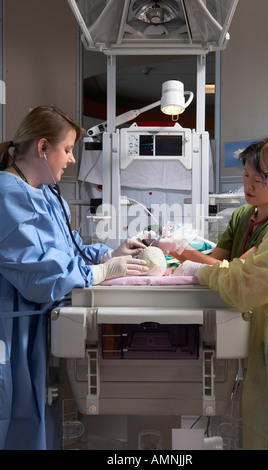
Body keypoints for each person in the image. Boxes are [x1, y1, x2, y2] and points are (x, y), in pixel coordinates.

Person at [0, 105, 148, 450]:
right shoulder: (7, 196)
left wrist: (111, 254)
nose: (71, 160)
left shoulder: (49, 197)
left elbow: (71, 251)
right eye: (67, 150)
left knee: (40, 418)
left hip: (39, 330)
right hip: (12, 333)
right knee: (15, 421)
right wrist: (100, 272)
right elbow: (42, 277)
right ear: (42, 147)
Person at [175, 130, 268, 450]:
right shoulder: (260, 220)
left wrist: (195, 268)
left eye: (264, 176)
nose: (258, 185)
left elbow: (243, 284)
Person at [152, 139, 268, 264]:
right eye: (246, 175)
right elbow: (212, 263)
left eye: (258, 180)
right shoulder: (241, 215)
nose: (248, 186)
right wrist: (170, 249)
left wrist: (182, 248)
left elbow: (233, 270)